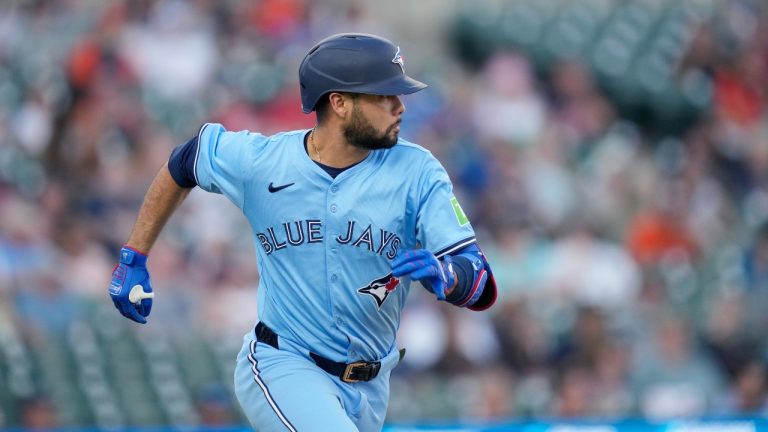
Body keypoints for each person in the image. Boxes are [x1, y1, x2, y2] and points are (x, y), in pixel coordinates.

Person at [108, 33, 497, 431]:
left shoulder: (418, 171)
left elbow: (480, 281)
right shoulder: (264, 162)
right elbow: (185, 162)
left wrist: (449, 277)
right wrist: (134, 255)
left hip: (372, 385)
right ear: (339, 102)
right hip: (285, 364)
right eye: (384, 95)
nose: (400, 106)